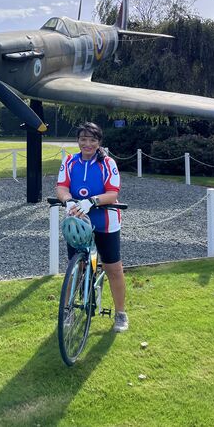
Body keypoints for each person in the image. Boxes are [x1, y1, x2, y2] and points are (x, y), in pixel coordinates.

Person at [56, 122, 129, 333]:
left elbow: (112, 194)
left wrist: (93, 201)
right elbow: (61, 187)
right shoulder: (69, 161)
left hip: (106, 220)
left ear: (99, 142)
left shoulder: (108, 163)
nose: (87, 144)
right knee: (75, 267)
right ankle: (68, 309)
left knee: (113, 268)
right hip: (78, 221)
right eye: (83, 139)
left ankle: (121, 313)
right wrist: (68, 200)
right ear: (78, 141)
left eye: (92, 140)